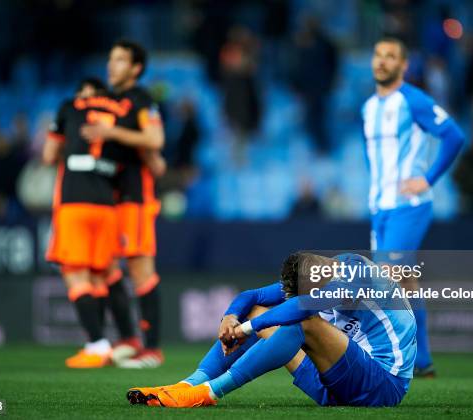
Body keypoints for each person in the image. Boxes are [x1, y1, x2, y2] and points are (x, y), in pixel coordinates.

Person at [127, 252, 416, 408]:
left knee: (302, 320)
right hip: (333, 384)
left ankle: (208, 393)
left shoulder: (358, 273)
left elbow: (303, 309)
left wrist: (246, 329)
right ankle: (189, 384)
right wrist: (230, 318)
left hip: (381, 386)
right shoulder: (316, 277)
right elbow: (251, 297)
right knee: (255, 311)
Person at [361, 37, 465, 377]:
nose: (382, 61)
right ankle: (423, 362)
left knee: (383, 279)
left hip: (409, 205)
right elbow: (374, 159)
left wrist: (429, 178)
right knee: (404, 283)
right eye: (378, 55)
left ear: (403, 66)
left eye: (390, 57)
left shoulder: (413, 100)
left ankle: (386, 359)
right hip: (380, 208)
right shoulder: (369, 107)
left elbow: (454, 136)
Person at [79, 40, 166, 368]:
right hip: (107, 199)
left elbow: (155, 140)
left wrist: (112, 132)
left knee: (141, 271)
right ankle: (129, 338)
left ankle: (152, 350)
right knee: (108, 268)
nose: (111, 65)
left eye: (119, 60)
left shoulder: (141, 101)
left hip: (135, 198)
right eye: (110, 59)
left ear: (136, 68)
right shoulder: (109, 102)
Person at [43, 78, 121, 368]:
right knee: (99, 278)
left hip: (74, 203)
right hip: (107, 205)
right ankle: (101, 344)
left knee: (75, 276)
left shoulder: (69, 107)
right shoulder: (119, 114)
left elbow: (49, 154)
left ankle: (97, 344)